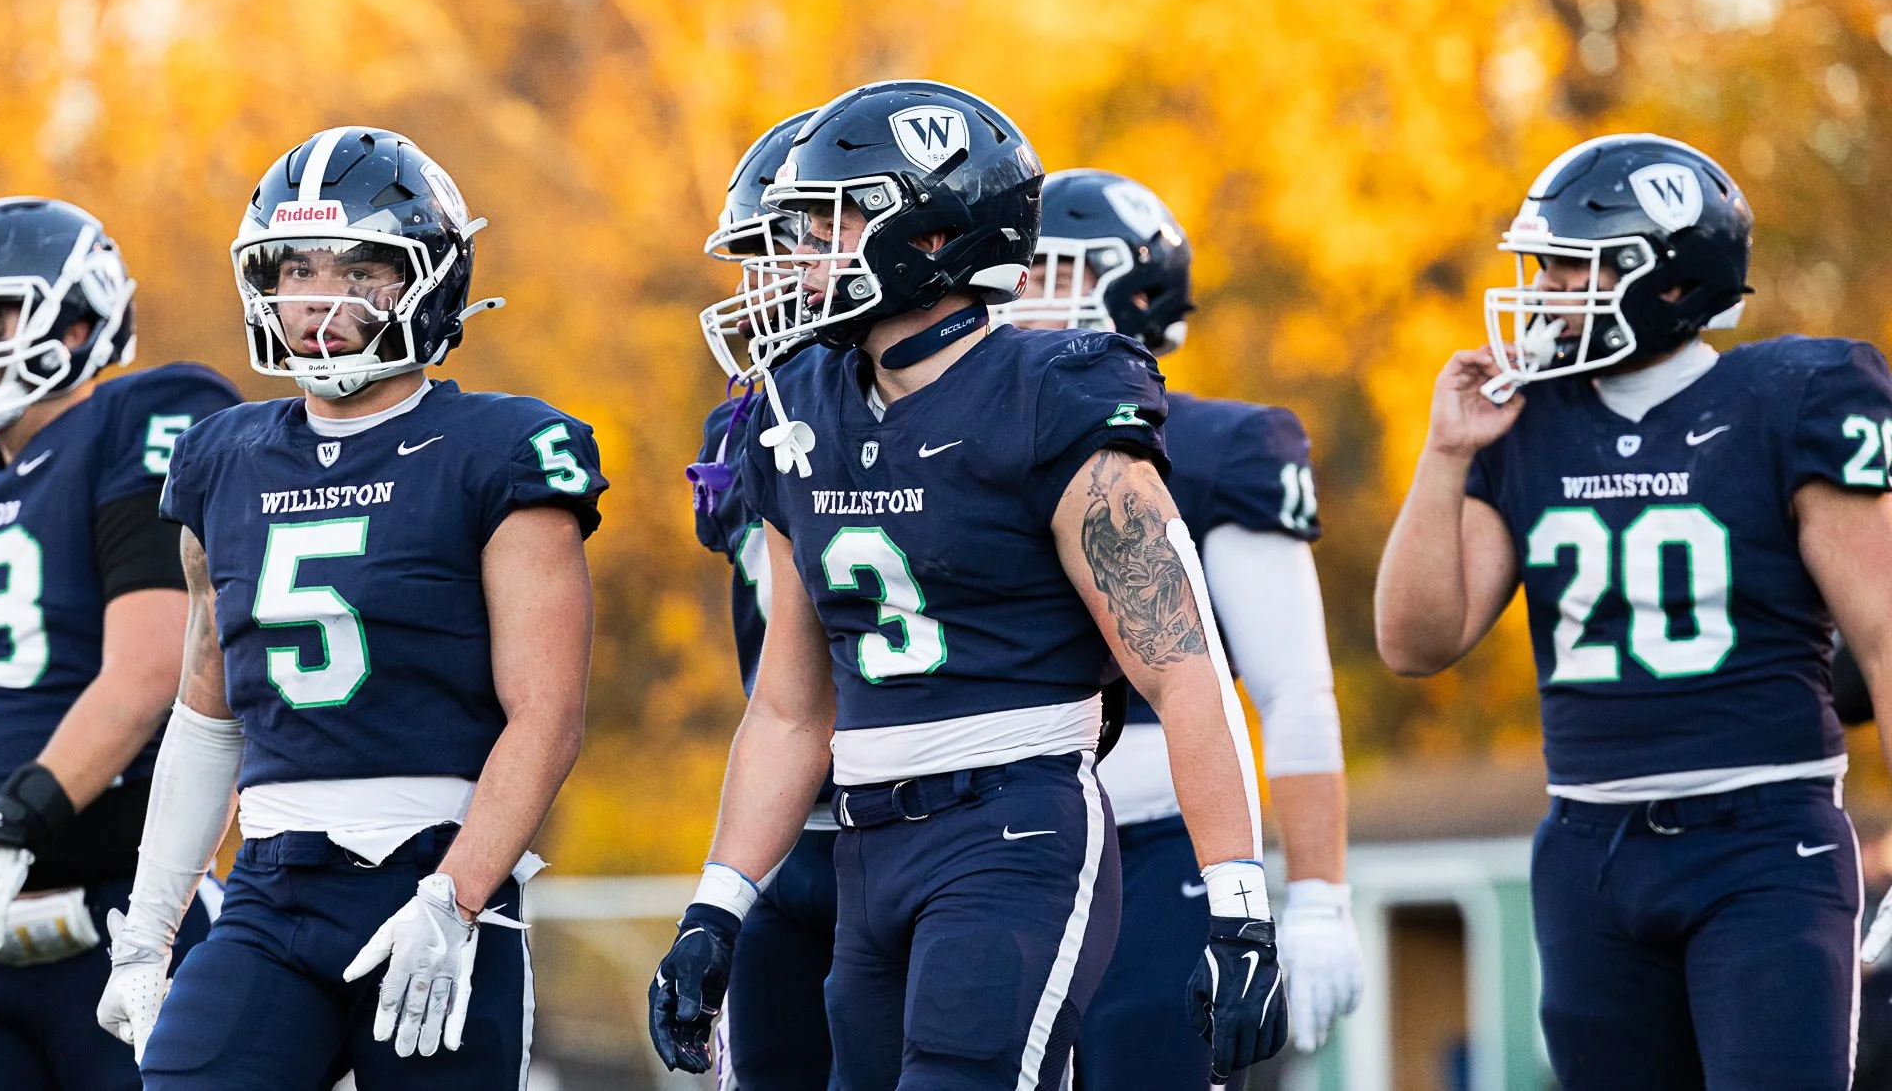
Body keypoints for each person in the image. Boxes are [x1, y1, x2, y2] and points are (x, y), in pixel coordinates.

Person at [647, 80, 1288, 1091]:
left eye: (832, 219)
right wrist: (714, 908)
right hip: (865, 848)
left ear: (931, 235)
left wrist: (1238, 907)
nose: (802, 252)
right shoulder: (797, 410)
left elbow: (1179, 667)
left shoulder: (1050, 393)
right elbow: (785, 708)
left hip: (1014, 826)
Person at [1374, 133, 1892, 1090]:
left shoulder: (1795, 398)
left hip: (1764, 842)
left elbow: (1885, 636)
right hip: (1589, 853)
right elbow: (1414, 642)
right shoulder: (1524, 420)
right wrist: (1443, 458)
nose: (1546, 290)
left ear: (1663, 281)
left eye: (1571, 267)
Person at [93, 126, 604, 1089]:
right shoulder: (221, 458)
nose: (322, 296)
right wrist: (149, 929)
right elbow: (208, 712)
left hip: (440, 871)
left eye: (361, 267)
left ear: (429, 277)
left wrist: (455, 897)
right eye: (296, 268)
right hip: (270, 893)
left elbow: (548, 716)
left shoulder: (499, 446)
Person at [1003, 169, 1363, 1085]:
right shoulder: (963, 439)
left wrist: (1320, 897)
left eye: (1052, 269)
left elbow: (1293, 692)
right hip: (999, 853)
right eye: (1018, 268)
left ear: (1135, 289)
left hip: (1158, 851)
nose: (1019, 293)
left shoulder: (1211, 447)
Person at [0, 197, 237, 1091]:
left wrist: (12, 827)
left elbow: (155, 666)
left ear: (81, 319)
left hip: (119, 928)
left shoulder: (142, 417)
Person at [690, 110, 842, 1090]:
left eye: (795, 246)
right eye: (764, 254)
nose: (771, 281)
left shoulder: (964, 411)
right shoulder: (751, 421)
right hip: (785, 835)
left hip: (937, 823)